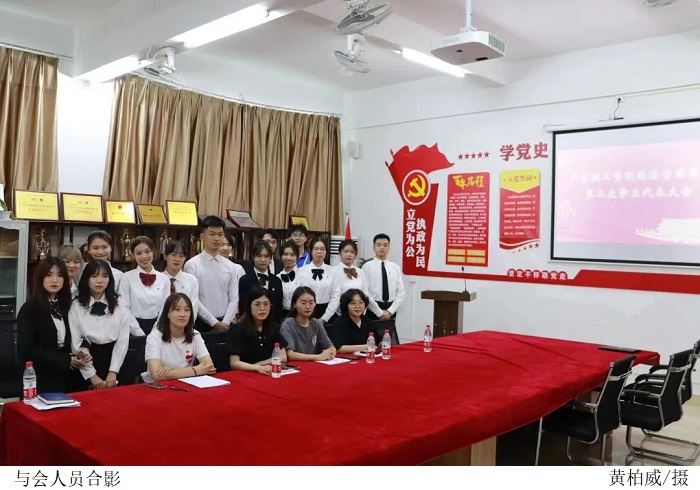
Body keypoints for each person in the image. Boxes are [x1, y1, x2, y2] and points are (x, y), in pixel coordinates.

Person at [17, 257, 90, 394]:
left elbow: (82, 332)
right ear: (41, 278)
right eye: (49, 275)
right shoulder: (30, 309)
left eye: (60, 275)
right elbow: (28, 350)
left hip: (69, 376)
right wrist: (66, 360)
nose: (55, 280)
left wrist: (83, 350)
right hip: (41, 376)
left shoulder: (68, 306)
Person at [68, 260, 131, 389]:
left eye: (104, 276)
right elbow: (76, 343)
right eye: (94, 276)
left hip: (115, 361)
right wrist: (92, 375)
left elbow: (123, 341)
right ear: (86, 279)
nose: (100, 281)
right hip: (86, 363)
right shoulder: (76, 306)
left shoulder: (119, 304)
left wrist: (113, 371)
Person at [142, 293, 215, 383]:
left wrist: (172, 371)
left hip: (187, 383)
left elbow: (210, 367)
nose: (182, 314)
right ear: (168, 313)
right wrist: (195, 370)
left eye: (186, 310)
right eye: (177, 309)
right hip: (159, 386)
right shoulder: (154, 337)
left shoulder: (195, 335)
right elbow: (157, 375)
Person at [184, 216, 239, 332]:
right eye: (212, 234)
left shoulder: (230, 266)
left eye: (220, 234)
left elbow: (234, 298)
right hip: (201, 323)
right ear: (202, 236)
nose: (217, 238)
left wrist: (225, 322)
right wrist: (214, 323)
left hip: (226, 323)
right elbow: (193, 298)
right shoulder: (192, 265)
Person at [227, 287, 288, 374]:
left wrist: (259, 365)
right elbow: (234, 363)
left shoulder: (271, 326)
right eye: (257, 304)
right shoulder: (237, 329)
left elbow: (283, 356)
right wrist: (256, 367)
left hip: (265, 371)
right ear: (249, 306)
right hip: (244, 374)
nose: (262, 308)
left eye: (266, 304)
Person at [119, 236, 168, 335]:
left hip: (158, 328)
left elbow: (165, 308)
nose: (144, 256)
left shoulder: (164, 279)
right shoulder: (126, 277)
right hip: (132, 327)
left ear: (153, 252)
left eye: (147, 251)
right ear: (133, 255)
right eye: (139, 253)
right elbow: (124, 308)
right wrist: (138, 333)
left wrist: (156, 331)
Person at [327, 239, 385, 320]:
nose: (349, 254)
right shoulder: (333, 271)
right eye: (345, 251)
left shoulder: (360, 272)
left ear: (355, 255)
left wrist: (379, 312)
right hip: (338, 315)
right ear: (339, 253)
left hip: (359, 314)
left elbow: (366, 294)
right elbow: (332, 297)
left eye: (352, 252)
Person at [280, 287, 336, 362]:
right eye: (303, 303)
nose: (308, 307)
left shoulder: (316, 323)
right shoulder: (288, 324)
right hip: (296, 365)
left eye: (311, 303)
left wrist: (330, 353)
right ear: (294, 304)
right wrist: (318, 357)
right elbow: (290, 354)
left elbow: (331, 347)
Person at [361, 234, 405, 321]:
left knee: (389, 330)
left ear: (389, 248)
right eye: (379, 245)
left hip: (391, 309)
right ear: (373, 247)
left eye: (385, 245)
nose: (382, 248)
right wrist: (378, 311)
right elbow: (365, 291)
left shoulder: (395, 267)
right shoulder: (367, 267)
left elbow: (401, 292)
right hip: (373, 308)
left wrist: (390, 311)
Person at [238, 240, 283, 322]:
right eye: (259, 256)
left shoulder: (276, 281)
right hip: (249, 324)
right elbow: (242, 307)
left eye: (266, 256)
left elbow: (278, 307)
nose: (263, 260)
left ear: (270, 258)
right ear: (253, 257)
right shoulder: (244, 280)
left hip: (272, 325)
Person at [297, 238, 338, 323]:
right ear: (310, 251)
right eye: (316, 249)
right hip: (305, 311)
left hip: (327, 312)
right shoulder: (301, 271)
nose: (319, 252)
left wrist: (325, 318)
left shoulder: (333, 271)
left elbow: (335, 296)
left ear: (326, 251)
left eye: (322, 249)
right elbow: (298, 295)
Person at [329, 289, 378, 354]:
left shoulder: (367, 320)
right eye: (353, 303)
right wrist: (363, 347)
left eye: (361, 303)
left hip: (365, 356)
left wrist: (382, 343)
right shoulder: (339, 323)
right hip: (345, 358)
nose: (357, 306)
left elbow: (377, 341)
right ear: (346, 305)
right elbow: (337, 348)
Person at [161, 241, 199, 320]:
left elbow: (194, 308)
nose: (177, 259)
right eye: (173, 255)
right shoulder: (158, 279)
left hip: (184, 324)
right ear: (165, 256)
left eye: (181, 256)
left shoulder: (192, 281)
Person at [276, 241, 299, 317]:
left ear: (297, 257)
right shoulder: (277, 278)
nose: (288, 258)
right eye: (285, 254)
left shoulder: (303, 276)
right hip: (280, 316)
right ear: (281, 256)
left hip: (299, 314)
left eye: (292, 255)